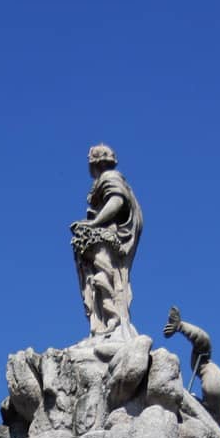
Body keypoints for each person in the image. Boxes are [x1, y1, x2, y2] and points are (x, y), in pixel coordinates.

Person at [70, 144, 142, 338]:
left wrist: (94, 223)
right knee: (100, 278)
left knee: (103, 275)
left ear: (95, 162)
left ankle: (112, 318)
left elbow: (117, 201)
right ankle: (105, 321)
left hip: (106, 240)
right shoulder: (108, 179)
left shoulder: (109, 177)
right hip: (103, 238)